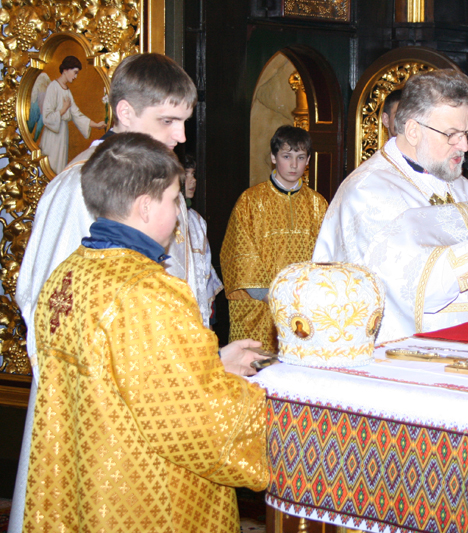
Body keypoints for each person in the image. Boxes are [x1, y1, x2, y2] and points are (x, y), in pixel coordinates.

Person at [21, 132, 269, 532]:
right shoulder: (149, 291)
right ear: (145, 206)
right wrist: (272, 406)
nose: (179, 212)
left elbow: (131, 378)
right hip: (144, 495)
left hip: (85, 483)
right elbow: (191, 420)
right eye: (173, 200)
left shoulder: (67, 276)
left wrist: (212, 363)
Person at [10, 53, 213, 533]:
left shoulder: (160, 182)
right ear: (125, 113)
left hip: (163, 389)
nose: (181, 137)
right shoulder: (79, 188)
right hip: (99, 405)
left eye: (185, 122)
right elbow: (48, 301)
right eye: (168, 121)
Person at [313, 69, 468, 343]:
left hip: (467, 347)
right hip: (399, 353)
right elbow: (412, 288)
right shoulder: (368, 191)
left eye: (467, 133)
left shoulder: (461, 187)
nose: (464, 146)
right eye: (452, 134)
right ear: (413, 130)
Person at [221, 126, 328, 352]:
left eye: (300, 157)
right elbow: (241, 256)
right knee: (257, 366)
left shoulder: (318, 204)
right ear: (273, 157)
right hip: (260, 307)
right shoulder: (250, 201)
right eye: (286, 156)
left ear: (308, 160)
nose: (293, 165)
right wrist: (272, 297)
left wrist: (305, 297)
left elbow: (327, 255)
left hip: (304, 307)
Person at [39, 56, 106, 173]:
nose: (75, 76)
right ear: (66, 70)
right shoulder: (53, 87)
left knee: (60, 167)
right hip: (52, 135)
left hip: (62, 133)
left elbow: (76, 114)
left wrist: (96, 125)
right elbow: (46, 117)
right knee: (52, 167)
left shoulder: (67, 90)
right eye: (75, 72)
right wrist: (63, 110)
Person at [183, 154, 224, 324]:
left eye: (193, 174)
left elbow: (205, 270)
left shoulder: (197, 220)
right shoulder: (164, 219)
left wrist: (210, 321)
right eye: (186, 174)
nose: (193, 180)